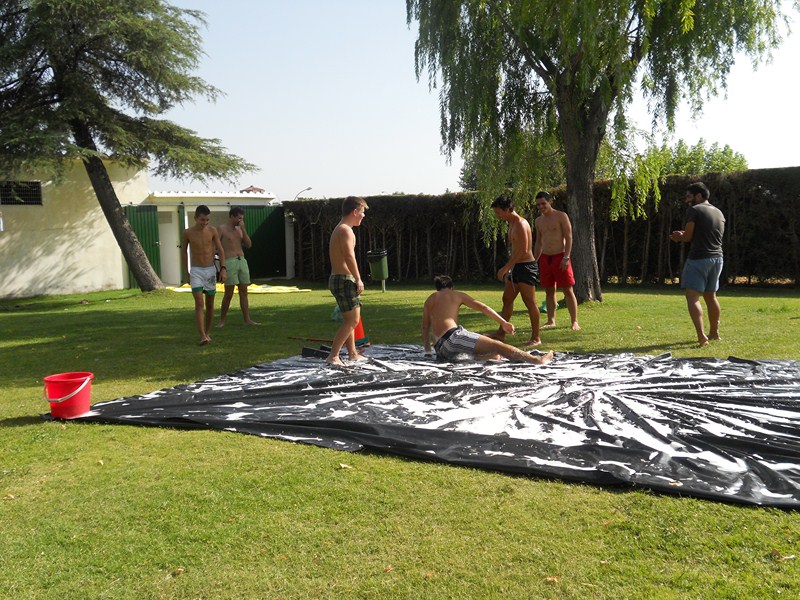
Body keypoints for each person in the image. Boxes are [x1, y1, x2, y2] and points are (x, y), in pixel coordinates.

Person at [422, 275, 554, 364]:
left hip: (441, 350)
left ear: (437, 288)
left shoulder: (429, 300)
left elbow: (425, 327)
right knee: (497, 345)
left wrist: (428, 351)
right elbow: (483, 307)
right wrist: (503, 322)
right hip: (453, 338)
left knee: (489, 348)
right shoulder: (456, 294)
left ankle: (490, 357)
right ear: (451, 287)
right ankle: (536, 360)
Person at [669, 181, 725, 347]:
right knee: (711, 296)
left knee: (693, 297)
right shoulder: (718, 212)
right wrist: (685, 234)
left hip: (699, 258)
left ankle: (702, 337)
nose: (687, 200)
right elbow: (706, 234)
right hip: (717, 258)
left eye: (689, 197)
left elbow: (687, 237)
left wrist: (679, 236)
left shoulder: (694, 210)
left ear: (698, 196)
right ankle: (714, 333)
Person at [490, 195, 541, 346]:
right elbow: (515, 249)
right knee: (507, 299)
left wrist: (506, 268)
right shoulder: (511, 223)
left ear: (507, 210)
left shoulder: (520, 224)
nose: (497, 216)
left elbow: (524, 251)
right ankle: (501, 333)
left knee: (529, 302)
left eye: (498, 212)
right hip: (516, 267)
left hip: (526, 267)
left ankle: (536, 338)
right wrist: (511, 268)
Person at [326, 196, 369, 366]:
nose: (363, 216)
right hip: (344, 279)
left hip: (338, 278)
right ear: (355, 211)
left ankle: (352, 353)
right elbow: (349, 256)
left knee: (349, 319)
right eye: (362, 212)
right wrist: (358, 279)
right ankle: (333, 356)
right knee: (353, 320)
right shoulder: (345, 230)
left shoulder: (341, 228)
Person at [534, 191, 580, 331]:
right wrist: (534, 260)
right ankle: (551, 320)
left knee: (567, 290)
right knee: (549, 291)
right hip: (545, 258)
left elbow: (569, 237)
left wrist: (566, 257)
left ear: (550, 202)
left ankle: (574, 321)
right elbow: (538, 243)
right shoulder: (538, 221)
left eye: (543, 203)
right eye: (538, 205)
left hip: (560, 257)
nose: (541, 207)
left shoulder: (561, 216)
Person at [182, 205, 226, 345]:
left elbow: (220, 250)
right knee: (199, 302)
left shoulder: (212, 231)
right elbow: (184, 253)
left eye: (207, 220)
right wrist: (186, 272)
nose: (205, 223)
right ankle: (202, 336)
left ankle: (207, 333)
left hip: (210, 270)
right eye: (202, 220)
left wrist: (223, 268)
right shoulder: (188, 233)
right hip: (196, 270)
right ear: (195, 218)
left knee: (210, 303)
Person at [216, 206, 259, 327]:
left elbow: (249, 244)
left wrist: (243, 230)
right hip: (229, 261)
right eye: (239, 218)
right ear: (232, 216)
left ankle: (247, 319)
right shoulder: (221, 229)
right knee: (228, 293)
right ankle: (222, 321)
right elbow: (215, 247)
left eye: (242, 218)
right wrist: (221, 265)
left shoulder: (240, 229)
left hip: (242, 260)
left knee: (244, 291)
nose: (240, 220)